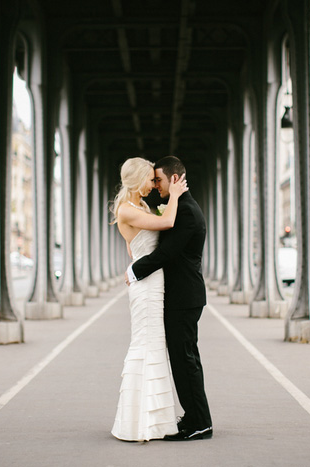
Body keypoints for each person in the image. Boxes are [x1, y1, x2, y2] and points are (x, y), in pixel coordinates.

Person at [127, 156, 213, 441]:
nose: (156, 187)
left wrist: (135, 269)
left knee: (184, 360)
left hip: (183, 297)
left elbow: (168, 253)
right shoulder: (184, 207)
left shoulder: (186, 211)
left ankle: (199, 422)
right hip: (182, 296)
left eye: (159, 180)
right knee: (185, 359)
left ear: (174, 180)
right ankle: (195, 418)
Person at [110, 157, 188, 442]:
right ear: (137, 179)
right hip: (146, 286)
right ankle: (140, 422)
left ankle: (151, 420)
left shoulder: (139, 207)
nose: (154, 185)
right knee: (145, 342)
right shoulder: (127, 210)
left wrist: (134, 264)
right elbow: (167, 222)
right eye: (150, 180)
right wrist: (176, 195)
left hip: (152, 281)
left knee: (154, 342)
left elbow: (134, 249)